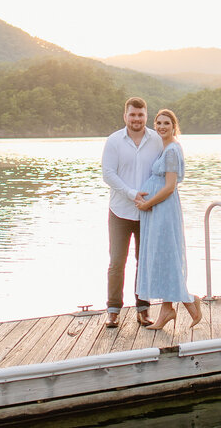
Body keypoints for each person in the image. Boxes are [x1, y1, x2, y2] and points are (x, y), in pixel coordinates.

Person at [135, 108, 202, 329]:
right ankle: (166, 310)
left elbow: (170, 187)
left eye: (167, 123)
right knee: (163, 257)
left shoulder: (172, 151)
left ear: (174, 126)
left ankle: (190, 301)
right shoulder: (165, 148)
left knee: (168, 256)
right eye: (159, 123)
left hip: (163, 210)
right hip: (158, 211)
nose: (162, 127)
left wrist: (147, 203)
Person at [101, 96, 163, 328]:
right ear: (125, 116)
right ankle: (113, 310)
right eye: (132, 114)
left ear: (146, 116)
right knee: (117, 262)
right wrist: (131, 193)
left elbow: (164, 170)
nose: (136, 119)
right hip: (120, 210)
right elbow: (108, 174)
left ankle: (143, 310)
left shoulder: (156, 140)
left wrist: (151, 198)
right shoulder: (114, 141)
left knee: (144, 262)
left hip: (148, 211)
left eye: (140, 115)